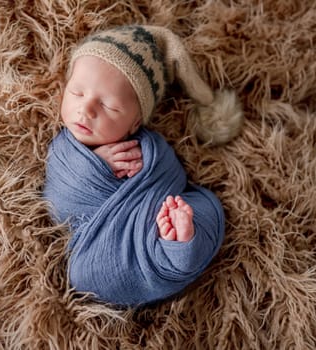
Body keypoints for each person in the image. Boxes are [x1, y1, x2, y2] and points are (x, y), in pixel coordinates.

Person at [43, 25, 243, 306]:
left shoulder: (147, 148)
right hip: (107, 246)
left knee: (205, 209)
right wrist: (96, 166)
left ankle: (180, 239)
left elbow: (170, 176)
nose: (86, 109)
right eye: (76, 93)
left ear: (135, 123)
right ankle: (176, 249)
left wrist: (152, 181)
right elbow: (59, 201)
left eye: (109, 106)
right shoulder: (65, 150)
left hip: (151, 218)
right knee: (85, 274)